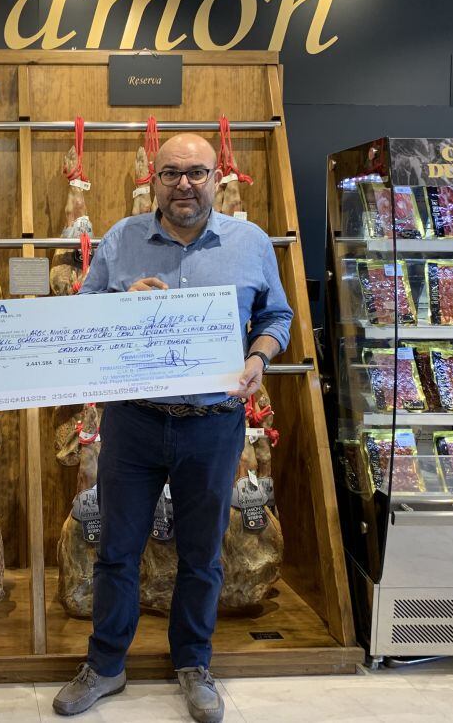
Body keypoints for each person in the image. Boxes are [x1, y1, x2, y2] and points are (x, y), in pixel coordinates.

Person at [52, 133, 293, 723]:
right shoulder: (120, 239)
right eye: (171, 173)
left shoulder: (251, 242)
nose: (184, 183)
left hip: (213, 424)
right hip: (133, 422)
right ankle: (107, 664)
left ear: (217, 177)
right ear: (153, 178)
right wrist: (120, 303)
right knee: (116, 550)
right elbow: (82, 317)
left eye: (196, 172)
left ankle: (193, 664)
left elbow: (276, 315)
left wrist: (257, 359)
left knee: (203, 554)